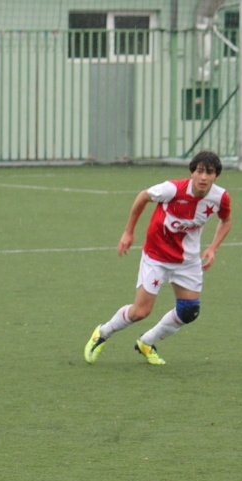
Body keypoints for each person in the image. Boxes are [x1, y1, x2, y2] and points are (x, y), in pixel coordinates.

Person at [84, 151, 232, 365]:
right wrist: (128, 232)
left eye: (209, 172)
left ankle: (147, 342)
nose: (203, 177)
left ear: (216, 176)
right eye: (199, 171)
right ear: (191, 172)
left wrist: (213, 248)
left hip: (187, 261)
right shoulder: (172, 189)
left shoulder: (220, 197)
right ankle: (102, 333)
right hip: (157, 257)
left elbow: (226, 221)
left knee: (189, 311)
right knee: (140, 312)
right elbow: (143, 196)